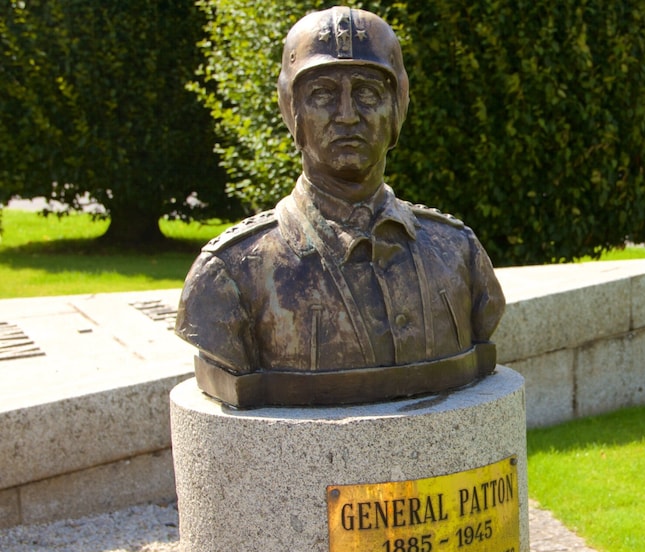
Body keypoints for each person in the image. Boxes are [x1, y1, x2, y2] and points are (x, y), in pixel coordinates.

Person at [175, 7, 505, 408]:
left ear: (397, 107)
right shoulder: (230, 275)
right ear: (292, 110)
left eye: (367, 92)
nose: (347, 115)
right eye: (323, 94)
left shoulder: (458, 253)